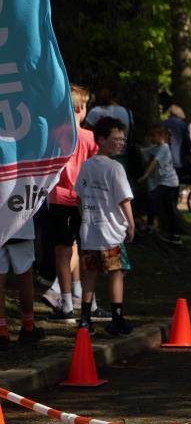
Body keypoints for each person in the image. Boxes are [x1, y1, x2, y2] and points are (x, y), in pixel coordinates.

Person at [42, 83, 110, 324]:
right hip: (84, 200)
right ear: (81, 108)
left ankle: (66, 304)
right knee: (86, 250)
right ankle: (90, 304)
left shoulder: (54, 134)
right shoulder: (90, 137)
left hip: (57, 198)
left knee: (62, 251)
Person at [75, 117, 136, 337]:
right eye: (116, 139)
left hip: (91, 231)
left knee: (90, 273)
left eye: (123, 139)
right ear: (101, 139)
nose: (121, 143)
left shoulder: (87, 165)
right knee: (116, 273)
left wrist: (86, 217)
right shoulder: (115, 167)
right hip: (112, 232)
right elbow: (124, 199)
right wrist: (131, 224)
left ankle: (85, 319)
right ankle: (117, 319)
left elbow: (79, 197)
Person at [0, 221, 47, 351]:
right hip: (20, 224)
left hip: (16, 225)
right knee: (25, 274)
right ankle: (28, 326)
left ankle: (2, 330)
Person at [137, 125, 184, 245]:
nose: (151, 138)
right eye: (151, 135)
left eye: (154, 135)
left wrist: (145, 176)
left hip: (170, 183)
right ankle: (173, 234)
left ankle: (150, 226)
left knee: (154, 198)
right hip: (164, 183)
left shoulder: (164, 147)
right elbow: (143, 151)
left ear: (161, 136)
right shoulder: (156, 147)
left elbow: (154, 162)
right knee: (168, 209)